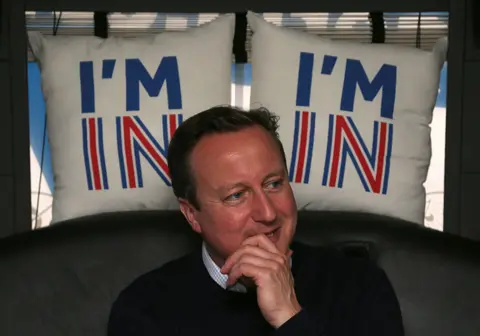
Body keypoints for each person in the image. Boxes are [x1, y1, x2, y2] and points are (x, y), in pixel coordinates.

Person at [108, 106, 404, 335]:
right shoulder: (145, 310)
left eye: (274, 184)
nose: (268, 213)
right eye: (236, 195)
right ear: (191, 214)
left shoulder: (360, 287)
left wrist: (289, 317)